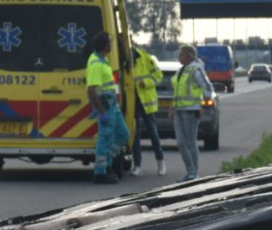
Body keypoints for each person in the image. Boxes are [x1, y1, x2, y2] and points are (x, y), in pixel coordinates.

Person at [86, 32, 128, 185]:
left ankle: (108, 164)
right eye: (109, 43)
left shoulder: (103, 61)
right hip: (106, 107)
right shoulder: (96, 63)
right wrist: (101, 112)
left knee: (123, 134)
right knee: (104, 139)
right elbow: (91, 90)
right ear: (104, 46)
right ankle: (100, 173)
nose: (111, 45)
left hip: (112, 105)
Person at [171, 43, 213, 183]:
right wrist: (173, 105)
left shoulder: (196, 70)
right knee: (181, 143)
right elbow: (179, 91)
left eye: (181, 55)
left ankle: (192, 173)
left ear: (189, 56)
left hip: (190, 111)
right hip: (179, 110)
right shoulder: (182, 70)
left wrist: (204, 105)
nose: (179, 57)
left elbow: (207, 87)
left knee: (190, 142)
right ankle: (191, 172)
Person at [128, 44, 166, 177]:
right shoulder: (123, 59)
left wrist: (146, 82)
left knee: (153, 133)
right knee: (135, 135)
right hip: (132, 103)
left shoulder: (145, 57)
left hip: (146, 102)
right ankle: (137, 165)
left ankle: (161, 162)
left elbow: (158, 75)